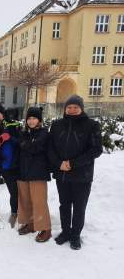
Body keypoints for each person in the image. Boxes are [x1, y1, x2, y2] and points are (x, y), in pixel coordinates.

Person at [48, 95, 102, 250]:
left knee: (79, 207)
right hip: (62, 174)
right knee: (64, 205)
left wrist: (72, 163)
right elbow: (50, 148)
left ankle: (75, 235)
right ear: (65, 108)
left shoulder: (92, 125)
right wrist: (59, 164)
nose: (72, 110)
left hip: (82, 175)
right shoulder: (57, 124)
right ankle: (65, 232)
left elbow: (96, 149)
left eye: (75, 107)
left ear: (81, 108)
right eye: (69, 107)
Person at [17, 107, 52, 242]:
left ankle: (45, 228)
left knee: (39, 201)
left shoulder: (44, 133)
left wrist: (24, 143)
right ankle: (31, 224)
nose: (31, 121)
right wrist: (24, 142)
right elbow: (23, 145)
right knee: (25, 201)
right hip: (23, 171)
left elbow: (35, 147)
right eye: (29, 118)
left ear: (40, 120)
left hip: (38, 172)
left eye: (34, 118)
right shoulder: (24, 133)